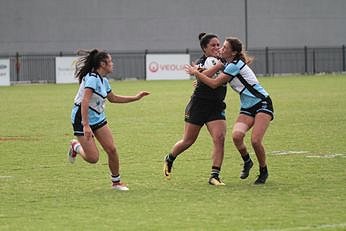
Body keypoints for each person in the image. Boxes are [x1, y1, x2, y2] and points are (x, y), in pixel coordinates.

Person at [185, 37, 274, 184]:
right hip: (247, 106)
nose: (221, 49)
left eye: (225, 47)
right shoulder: (227, 63)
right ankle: (247, 161)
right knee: (237, 136)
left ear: (233, 52)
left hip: (262, 103)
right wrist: (199, 74)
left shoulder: (235, 65)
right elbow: (210, 72)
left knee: (255, 141)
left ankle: (263, 171)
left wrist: (198, 74)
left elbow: (214, 84)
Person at [67, 49, 150, 190]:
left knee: (111, 149)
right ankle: (75, 146)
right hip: (81, 118)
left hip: (98, 117)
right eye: (110, 61)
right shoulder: (92, 79)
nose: (112, 63)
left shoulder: (103, 80)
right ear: (102, 64)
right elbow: (85, 101)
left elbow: (113, 98)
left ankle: (116, 182)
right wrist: (86, 125)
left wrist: (135, 97)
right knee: (93, 158)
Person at [163, 33, 228, 186]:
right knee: (188, 140)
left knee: (219, 138)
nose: (217, 48)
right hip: (198, 105)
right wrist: (218, 66)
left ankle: (214, 176)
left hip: (216, 106)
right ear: (204, 48)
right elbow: (200, 76)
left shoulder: (226, 61)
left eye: (218, 45)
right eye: (213, 45)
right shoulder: (201, 62)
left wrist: (222, 63)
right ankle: (170, 158)